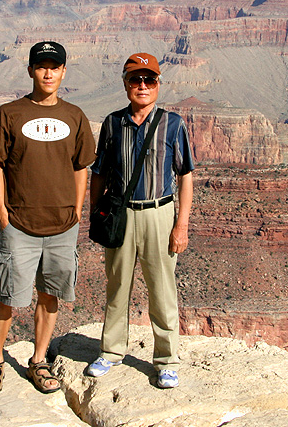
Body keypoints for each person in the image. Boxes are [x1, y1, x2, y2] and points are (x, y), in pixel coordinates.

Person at [0, 41, 96, 395]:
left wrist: (77, 209)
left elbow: (81, 167)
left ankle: (39, 359)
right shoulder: (10, 113)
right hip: (19, 224)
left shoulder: (75, 116)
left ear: (63, 72)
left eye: (54, 67)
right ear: (30, 70)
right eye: (41, 66)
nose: (48, 73)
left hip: (62, 226)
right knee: (7, 297)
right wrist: (1, 211)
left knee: (50, 295)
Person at [87, 52, 195, 389]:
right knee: (117, 285)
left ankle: (166, 360)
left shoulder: (173, 123)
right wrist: (96, 215)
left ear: (158, 84)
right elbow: (99, 174)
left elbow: (186, 176)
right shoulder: (112, 123)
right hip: (121, 213)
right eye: (136, 79)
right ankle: (111, 351)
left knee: (162, 290)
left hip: (159, 214)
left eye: (149, 79)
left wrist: (181, 225)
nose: (142, 85)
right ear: (125, 84)